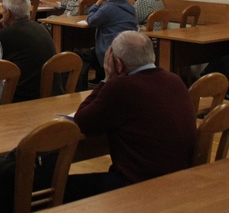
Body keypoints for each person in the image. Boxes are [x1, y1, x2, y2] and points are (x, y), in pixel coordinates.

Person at [64, 31, 196, 202]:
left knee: (60, 186)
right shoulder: (175, 80)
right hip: (177, 181)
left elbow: (82, 120)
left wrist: (107, 80)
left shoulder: (121, 88)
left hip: (137, 186)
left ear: (118, 64)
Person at [0, 0, 58, 101]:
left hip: (26, 97)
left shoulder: (7, 34)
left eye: (3, 10)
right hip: (50, 92)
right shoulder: (40, 28)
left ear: (8, 14)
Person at [84, 0, 138, 84]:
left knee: (86, 56)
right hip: (130, 44)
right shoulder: (128, 5)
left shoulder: (108, 8)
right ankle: (100, 77)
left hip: (112, 46)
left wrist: (97, 3)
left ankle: (86, 86)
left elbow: (91, 20)